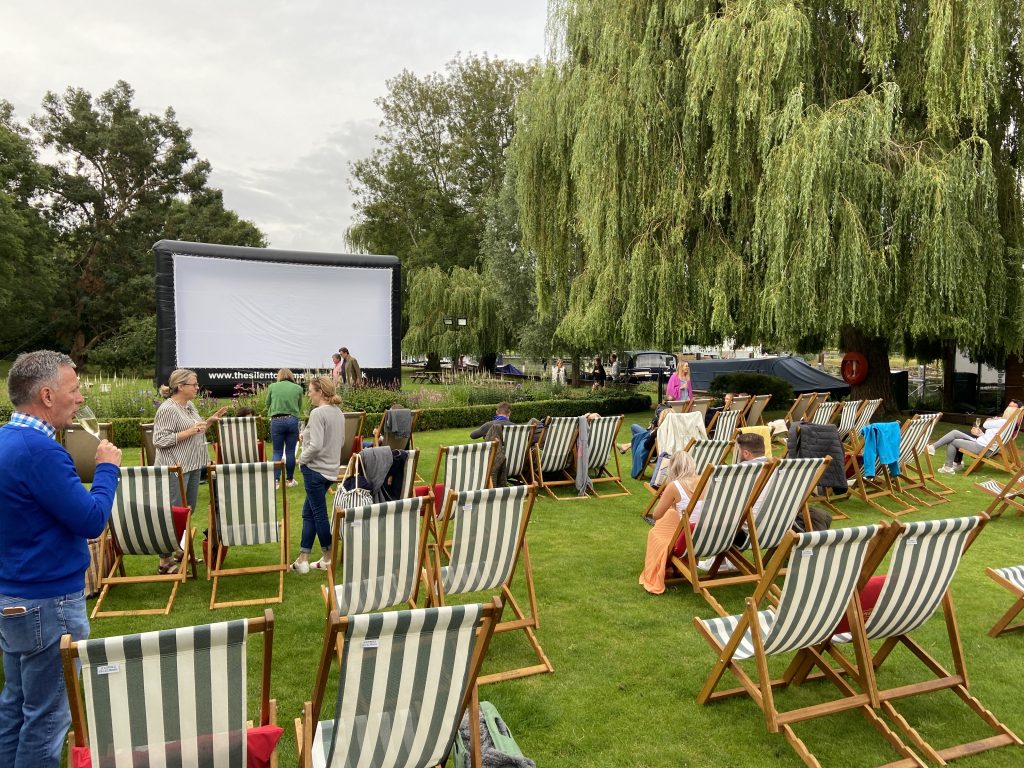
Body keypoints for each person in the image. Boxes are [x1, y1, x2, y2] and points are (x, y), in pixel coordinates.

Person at [0, 350, 122, 768]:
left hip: (14, 596)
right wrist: (107, 469)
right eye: (75, 389)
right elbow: (90, 520)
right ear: (48, 395)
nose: (81, 397)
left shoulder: (5, 441)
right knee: (49, 718)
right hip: (49, 603)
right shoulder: (40, 452)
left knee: (16, 708)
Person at [153, 369, 227, 573]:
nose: (197, 387)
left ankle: (180, 550)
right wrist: (189, 432)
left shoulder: (190, 406)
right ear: (180, 386)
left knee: (188, 510)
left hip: (194, 465)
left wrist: (210, 421)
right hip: (175, 468)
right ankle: (164, 561)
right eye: (194, 384)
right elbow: (159, 440)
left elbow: (197, 429)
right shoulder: (168, 409)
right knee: (173, 512)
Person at [291, 375, 345, 573]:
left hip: (315, 470)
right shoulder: (338, 412)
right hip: (330, 470)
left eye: (310, 390)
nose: (308, 394)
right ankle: (303, 559)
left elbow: (316, 445)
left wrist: (302, 459)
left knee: (319, 514)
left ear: (320, 392)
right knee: (309, 512)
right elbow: (339, 441)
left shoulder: (317, 413)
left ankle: (328, 557)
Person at [639, 451, 703, 595]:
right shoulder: (706, 480)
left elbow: (656, 515)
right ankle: (680, 566)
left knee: (656, 533)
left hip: (688, 540)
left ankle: (668, 567)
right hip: (710, 537)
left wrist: (672, 502)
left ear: (672, 468)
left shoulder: (675, 486)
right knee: (671, 519)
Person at [927, 400, 1022, 473]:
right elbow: (994, 435)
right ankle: (934, 449)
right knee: (955, 433)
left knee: (953, 440)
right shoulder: (1010, 424)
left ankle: (947, 466)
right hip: (983, 444)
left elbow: (986, 424)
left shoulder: (1002, 422)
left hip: (981, 447)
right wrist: (982, 434)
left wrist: (991, 419)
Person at [265, 368, 303, 488]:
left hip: (276, 420)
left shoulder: (272, 387)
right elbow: (300, 405)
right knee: (290, 451)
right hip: (292, 420)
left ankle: (275, 481)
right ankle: (290, 480)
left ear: (279, 376)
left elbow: (267, 403)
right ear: (291, 376)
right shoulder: (298, 388)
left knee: (277, 451)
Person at [471, 402, 512, 487]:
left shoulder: (490, 425)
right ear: (509, 413)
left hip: (496, 464)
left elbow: (473, 435)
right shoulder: (516, 428)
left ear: (497, 412)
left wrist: (486, 434)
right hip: (512, 464)